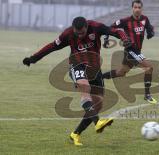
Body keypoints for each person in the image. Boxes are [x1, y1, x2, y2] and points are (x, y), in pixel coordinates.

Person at [22, 16, 131, 146]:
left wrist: (124, 38)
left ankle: (75, 134)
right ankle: (97, 122)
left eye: (82, 33)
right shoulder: (68, 34)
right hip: (77, 64)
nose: (79, 36)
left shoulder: (96, 27)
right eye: (77, 33)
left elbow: (116, 31)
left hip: (94, 68)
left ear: (86, 27)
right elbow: (52, 46)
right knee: (85, 89)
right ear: (73, 29)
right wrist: (33, 58)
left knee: (98, 105)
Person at [102, 0, 157, 104]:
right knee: (149, 68)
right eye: (135, 7)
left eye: (139, 7)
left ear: (141, 8)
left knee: (121, 73)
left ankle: (98, 77)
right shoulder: (125, 21)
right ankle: (147, 95)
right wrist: (106, 39)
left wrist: (150, 33)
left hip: (136, 51)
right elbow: (109, 28)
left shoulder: (145, 19)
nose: (137, 9)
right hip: (130, 50)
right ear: (132, 8)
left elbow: (149, 28)